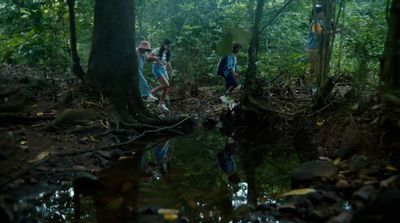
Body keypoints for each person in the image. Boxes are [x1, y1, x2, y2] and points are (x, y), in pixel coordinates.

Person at [150, 39, 173, 112]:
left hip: (164, 69)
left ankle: (161, 104)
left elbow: (168, 62)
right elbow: (149, 57)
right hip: (157, 67)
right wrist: (155, 59)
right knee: (166, 84)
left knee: (166, 86)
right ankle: (151, 92)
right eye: (168, 46)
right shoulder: (157, 50)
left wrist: (171, 71)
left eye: (170, 46)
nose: (169, 48)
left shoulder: (167, 52)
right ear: (164, 45)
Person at [308, 5, 324, 85]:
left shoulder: (316, 23)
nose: (323, 13)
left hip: (315, 49)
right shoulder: (315, 24)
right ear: (318, 13)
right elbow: (321, 33)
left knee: (315, 70)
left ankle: (314, 87)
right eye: (322, 12)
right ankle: (312, 88)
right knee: (314, 70)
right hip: (314, 49)